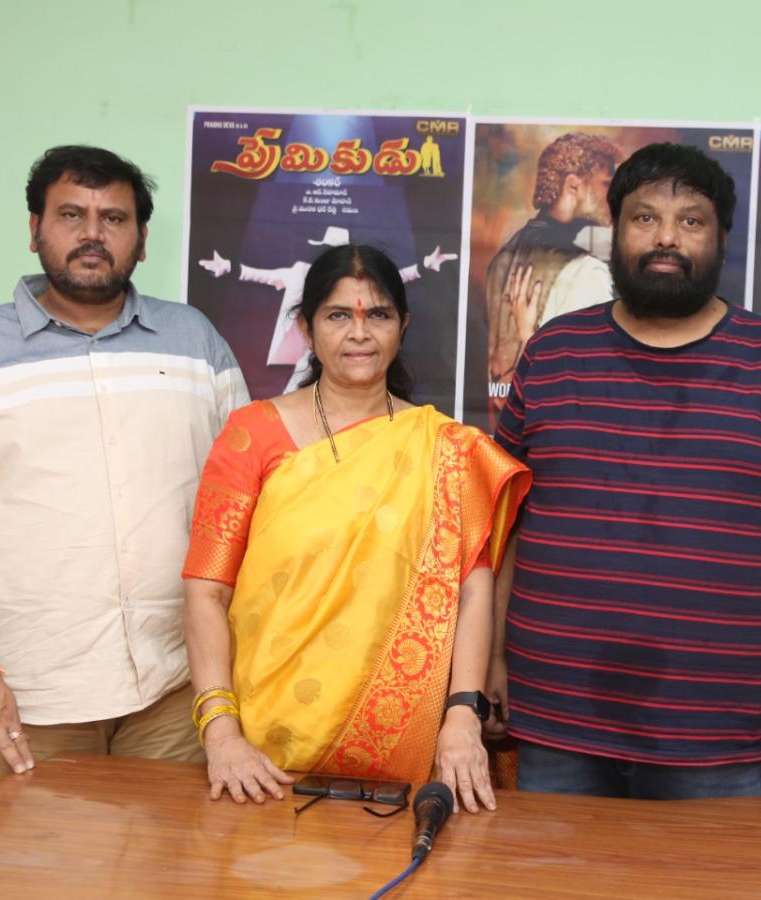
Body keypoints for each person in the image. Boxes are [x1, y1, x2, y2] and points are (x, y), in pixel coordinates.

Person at [491, 143, 761, 800]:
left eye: (691, 220)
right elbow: (505, 521)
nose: (666, 238)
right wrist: (488, 661)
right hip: (555, 716)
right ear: (616, 230)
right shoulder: (552, 353)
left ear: (720, 239)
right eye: (645, 218)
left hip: (722, 732)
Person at [0, 145, 248, 785]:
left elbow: (246, 503)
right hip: (25, 694)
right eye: (70, 215)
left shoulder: (196, 343)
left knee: (178, 852)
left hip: (178, 691)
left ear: (142, 239)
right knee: (32, 852)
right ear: (35, 229)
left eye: (113, 218)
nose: (92, 233)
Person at [182, 244, 530, 813]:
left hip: (402, 741)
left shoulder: (444, 447)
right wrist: (221, 732)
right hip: (264, 751)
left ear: (403, 326)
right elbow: (206, 590)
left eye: (379, 315)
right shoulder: (252, 435)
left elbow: (472, 589)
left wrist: (463, 715)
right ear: (305, 327)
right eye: (338, 315)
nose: (359, 333)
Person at [483, 131, 621, 426]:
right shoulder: (587, 270)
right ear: (573, 185)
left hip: (503, 429)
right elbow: (591, 380)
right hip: (558, 428)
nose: (614, 197)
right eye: (607, 184)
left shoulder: (504, 255)